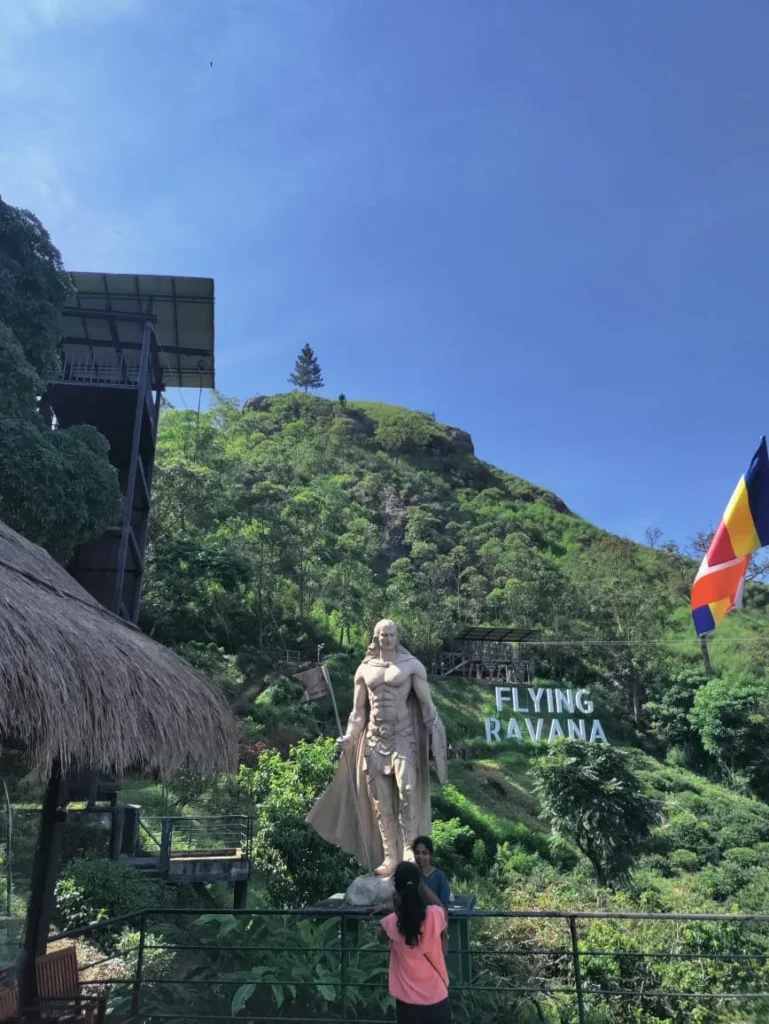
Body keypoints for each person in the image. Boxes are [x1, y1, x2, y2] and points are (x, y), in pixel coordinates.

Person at [379, 861, 451, 1023]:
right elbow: (442, 909)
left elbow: (381, 938)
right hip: (437, 999)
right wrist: (422, 887)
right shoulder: (434, 915)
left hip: (407, 1004)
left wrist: (395, 908)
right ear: (418, 884)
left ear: (397, 888)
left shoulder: (391, 922)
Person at [413, 836, 451, 908]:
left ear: (430, 854)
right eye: (417, 853)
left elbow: (444, 908)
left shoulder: (440, 877)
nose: (420, 857)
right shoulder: (411, 875)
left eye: (424, 853)